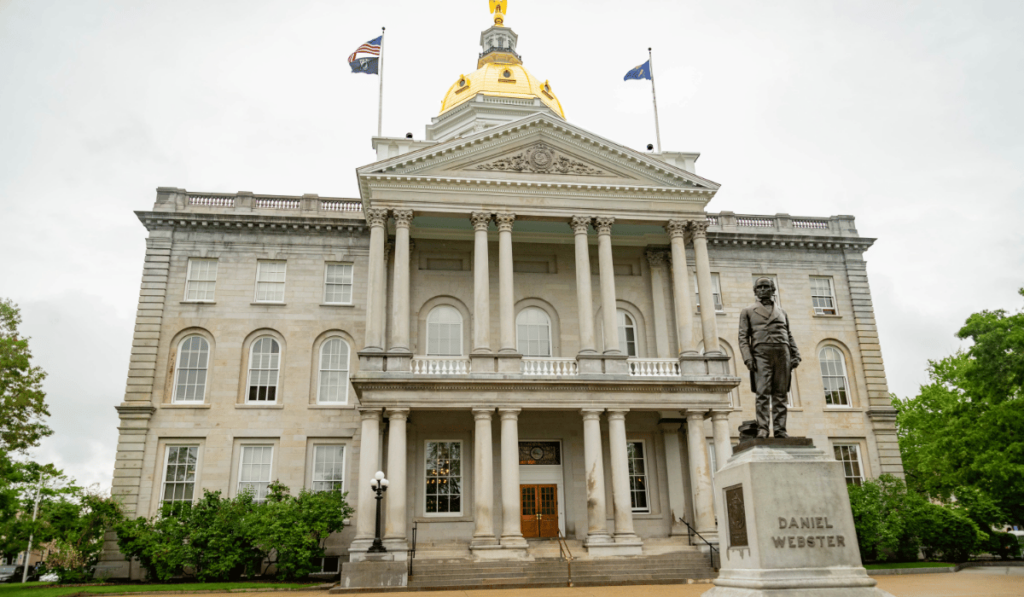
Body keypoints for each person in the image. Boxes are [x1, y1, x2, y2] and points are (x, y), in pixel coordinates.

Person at [738, 277, 801, 438]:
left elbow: (789, 334)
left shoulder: (782, 312)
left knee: (781, 394)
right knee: (762, 393)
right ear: (755, 291)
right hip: (761, 353)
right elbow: (743, 337)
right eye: (760, 287)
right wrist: (748, 358)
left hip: (782, 353)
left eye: (767, 287)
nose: (763, 290)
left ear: (773, 290)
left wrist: (796, 354)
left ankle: (780, 430)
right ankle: (763, 429)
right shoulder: (748, 311)